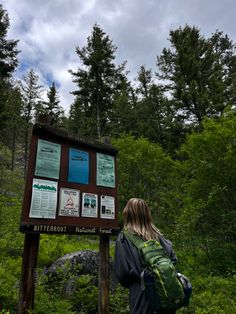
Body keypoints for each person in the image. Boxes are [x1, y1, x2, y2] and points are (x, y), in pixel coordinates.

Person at [114, 198, 178, 314]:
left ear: (128, 214)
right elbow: (173, 260)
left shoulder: (124, 239)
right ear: (147, 214)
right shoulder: (160, 237)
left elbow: (122, 273)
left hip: (141, 295)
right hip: (165, 294)